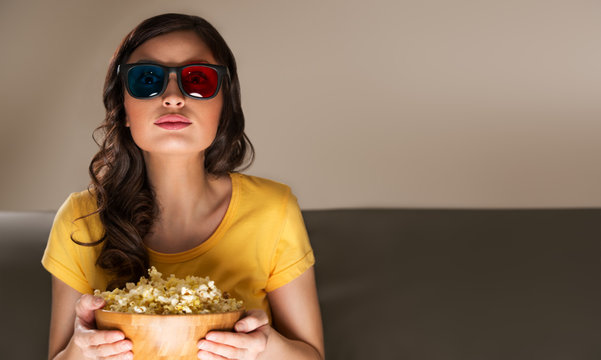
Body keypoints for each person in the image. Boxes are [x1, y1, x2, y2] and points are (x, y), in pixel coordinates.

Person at [42, 13, 324, 360]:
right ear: (124, 108)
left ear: (224, 105)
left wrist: (265, 347)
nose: (173, 97)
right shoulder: (80, 218)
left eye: (198, 80)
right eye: (148, 79)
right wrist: (82, 349)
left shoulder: (273, 209)